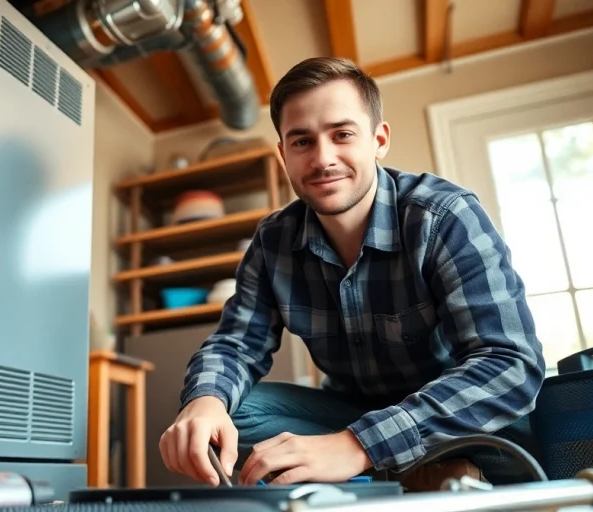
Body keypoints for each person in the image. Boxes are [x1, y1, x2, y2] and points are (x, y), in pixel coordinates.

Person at [158, 56, 546, 488]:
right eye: (302, 142)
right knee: (228, 415)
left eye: (342, 134)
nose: (323, 159)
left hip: (457, 426)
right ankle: (418, 480)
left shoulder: (444, 216)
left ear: (379, 139)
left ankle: (373, 475)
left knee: (523, 436)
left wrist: (359, 446)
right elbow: (235, 345)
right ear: (283, 153)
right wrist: (204, 401)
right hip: (346, 415)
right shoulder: (272, 242)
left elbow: (511, 365)